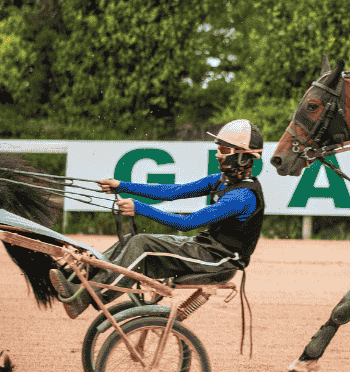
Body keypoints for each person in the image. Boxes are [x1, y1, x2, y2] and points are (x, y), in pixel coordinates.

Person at [49, 120, 267, 319]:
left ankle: (89, 297)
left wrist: (139, 207)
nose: (218, 154)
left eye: (223, 149)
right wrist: (122, 186)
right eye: (218, 148)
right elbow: (172, 192)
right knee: (131, 240)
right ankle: (74, 279)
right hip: (205, 249)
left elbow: (187, 223)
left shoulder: (243, 196)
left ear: (241, 155)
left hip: (219, 261)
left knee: (141, 244)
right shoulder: (221, 182)